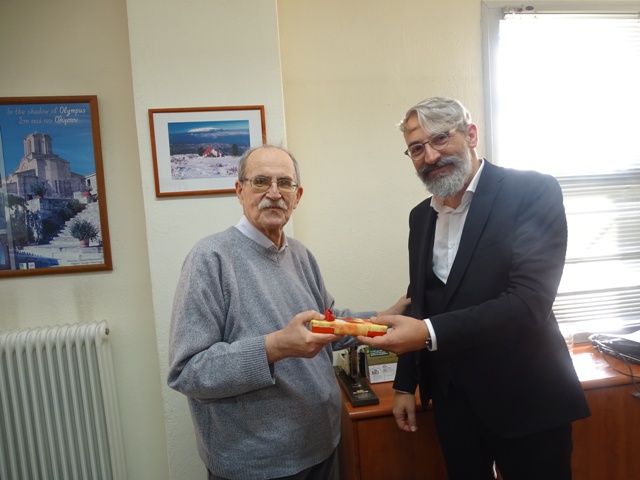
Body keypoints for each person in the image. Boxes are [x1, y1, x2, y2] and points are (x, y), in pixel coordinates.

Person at [358, 97, 590, 479]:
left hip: (527, 400)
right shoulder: (420, 217)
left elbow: (528, 303)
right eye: (417, 148)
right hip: (453, 405)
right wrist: (404, 385)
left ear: (471, 134)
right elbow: (421, 300)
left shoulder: (532, 191)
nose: (430, 156)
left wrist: (427, 333)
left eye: (440, 139)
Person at [168, 145, 408, 480]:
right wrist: (274, 347)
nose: (274, 193)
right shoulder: (210, 259)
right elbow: (188, 371)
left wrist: (380, 319)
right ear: (239, 191)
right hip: (257, 465)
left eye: (285, 183)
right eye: (261, 181)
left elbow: (327, 324)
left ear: (298, 196)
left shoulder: (300, 255)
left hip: (322, 444)